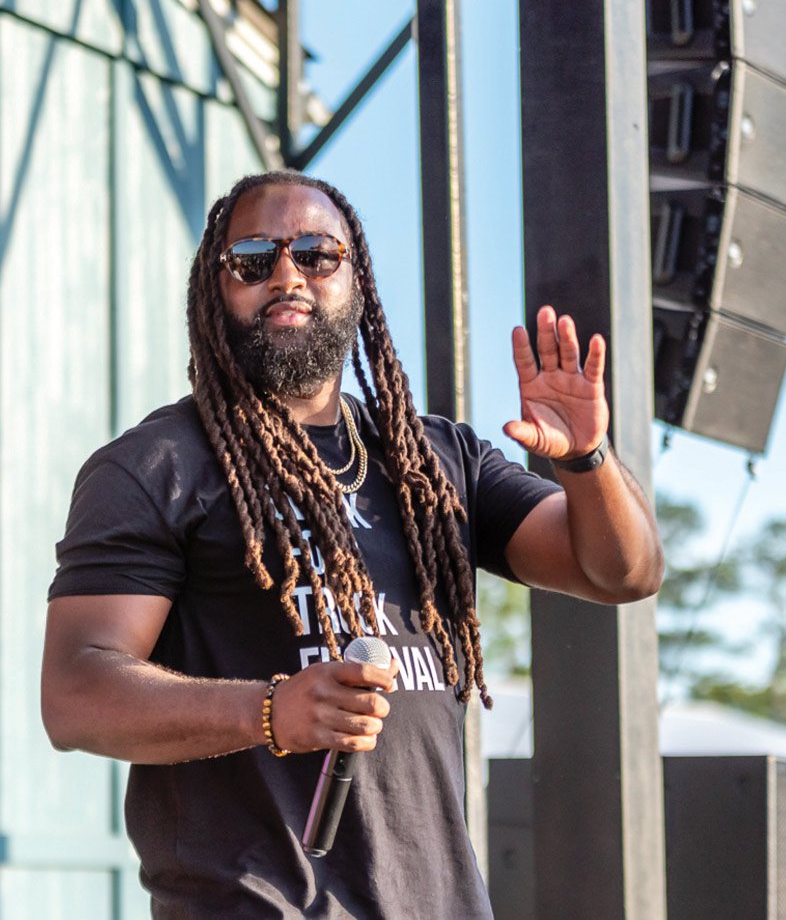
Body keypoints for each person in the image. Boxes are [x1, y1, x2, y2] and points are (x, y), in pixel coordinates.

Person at [41, 170, 663, 919]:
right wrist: (270, 710)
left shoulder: (433, 460)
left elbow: (622, 570)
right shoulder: (156, 465)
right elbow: (76, 694)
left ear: (357, 278)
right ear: (216, 288)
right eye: (252, 258)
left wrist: (586, 458)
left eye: (316, 253)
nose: (286, 275)